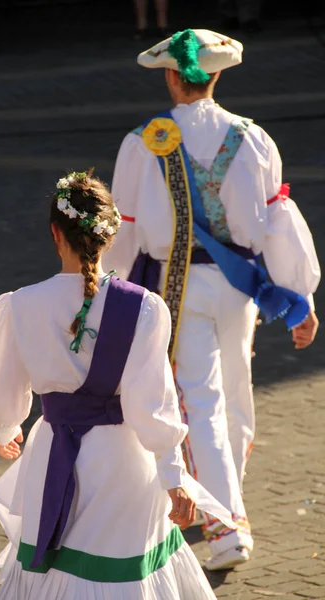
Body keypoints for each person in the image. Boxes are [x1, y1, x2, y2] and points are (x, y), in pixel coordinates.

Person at [103, 29, 321, 570]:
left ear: (171, 78)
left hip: (173, 290)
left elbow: (123, 230)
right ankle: (223, 508)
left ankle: (225, 525)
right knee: (234, 397)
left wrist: (104, 292)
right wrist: (301, 296)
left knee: (198, 401)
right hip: (241, 288)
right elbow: (277, 223)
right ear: (217, 75)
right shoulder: (253, 138)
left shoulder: (141, 142)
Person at [0, 170, 236, 599]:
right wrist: (173, 477)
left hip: (51, 457)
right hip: (124, 466)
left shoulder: (20, 305)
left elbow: (1, 382)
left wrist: (6, 426)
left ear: (56, 233)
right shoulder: (145, 308)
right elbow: (154, 405)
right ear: (110, 235)